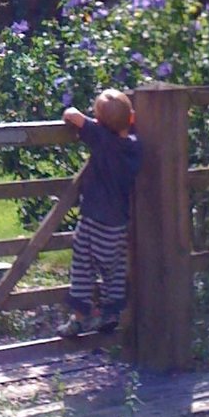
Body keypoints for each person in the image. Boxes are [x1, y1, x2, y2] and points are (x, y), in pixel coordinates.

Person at [56, 88, 143, 338]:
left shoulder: (101, 139)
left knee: (83, 265)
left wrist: (87, 120)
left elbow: (71, 114)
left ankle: (80, 318)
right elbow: (126, 129)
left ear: (101, 123)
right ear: (131, 119)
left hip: (93, 218)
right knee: (113, 270)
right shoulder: (135, 147)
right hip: (118, 224)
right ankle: (111, 313)